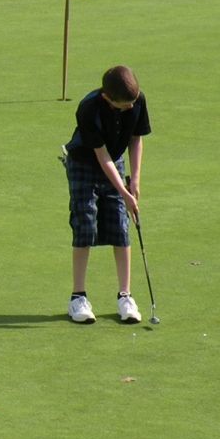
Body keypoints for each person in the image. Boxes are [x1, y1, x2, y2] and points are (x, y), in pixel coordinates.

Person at [62, 65, 151, 324]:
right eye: (124, 105)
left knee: (120, 228)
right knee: (85, 225)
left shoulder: (137, 100)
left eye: (132, 103)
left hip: (115, 161)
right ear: (107, 99)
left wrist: (134, 180)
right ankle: (77, 298)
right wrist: (123, 191)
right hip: (83, 164)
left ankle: (125, 296)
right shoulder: (88, 108)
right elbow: (102, 157)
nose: (130, 108)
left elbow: (136, 139)